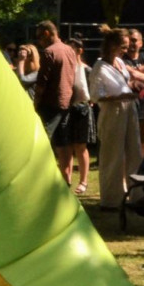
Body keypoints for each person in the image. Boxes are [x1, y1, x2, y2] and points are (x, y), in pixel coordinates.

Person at [89, 25, 140, 209]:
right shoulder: (99, 67)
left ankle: (136, 195)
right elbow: (95, 95)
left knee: (135, 153)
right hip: (113, 112)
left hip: (129, 109)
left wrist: (133, 86)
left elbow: (123, 84)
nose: (127, 50)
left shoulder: (119, 63)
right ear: (113, 46)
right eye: (124, 46)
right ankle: (112, 200)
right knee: (113, 156)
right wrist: (120, 97)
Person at [34, 20, 80, 179]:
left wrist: (35, 104)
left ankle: (42, 178)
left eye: (39, 37)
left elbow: (41, 84)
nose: (39, 42)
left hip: (49, 105)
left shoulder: (49, 52)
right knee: (64, 144)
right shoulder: (69, 50)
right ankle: (66, 179)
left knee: (42, 142)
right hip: (66, 103)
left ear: (47, 33)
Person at [66, 35, 95, 194]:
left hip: (82, 109)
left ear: (79, 51)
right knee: (67, 146)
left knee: (80, 146)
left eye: (72, 49)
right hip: (67, 109)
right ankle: (67, 180)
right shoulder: (65, 69)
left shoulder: (87, 70)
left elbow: (91, 93)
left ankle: (83, 181)